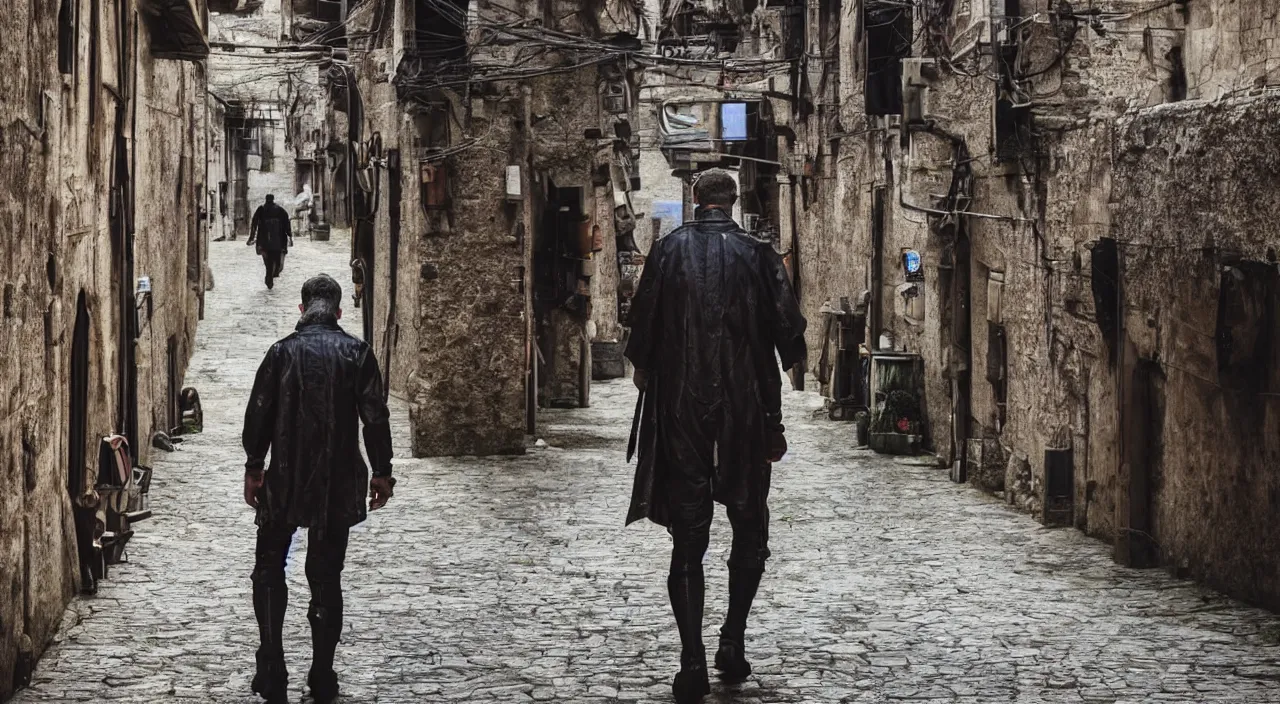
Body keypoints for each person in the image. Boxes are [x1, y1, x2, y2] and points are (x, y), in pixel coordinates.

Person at [624, 169, 807, 703]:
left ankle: (691, 662)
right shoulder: (758, 254)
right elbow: (791, 339)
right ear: (732, 203)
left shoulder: (667, 252)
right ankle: (732, 641)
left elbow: (640, 349)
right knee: (749, 524)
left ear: (696, 200)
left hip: (682, 411)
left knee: (689, 536)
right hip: (746, 409)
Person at [242, 274, 396, 704]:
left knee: (270, 568)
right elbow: (375, 417)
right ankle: (323, 673)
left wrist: (255, 466)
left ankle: (272, 662)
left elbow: (258, 414)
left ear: (302, 309)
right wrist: (382, 472)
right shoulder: (357, 353)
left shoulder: (280, 354)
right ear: (339, 312)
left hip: (285, 480)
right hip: (338, 483)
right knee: (326, 577)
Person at [247, 194, 294, 289]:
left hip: (265, 240)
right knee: (276, 259)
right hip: (278, 240)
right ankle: (272, 274)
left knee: (268, 260)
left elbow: (254, 223)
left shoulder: (261, 209)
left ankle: (269, 276)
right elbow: (286, 224)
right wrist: (289, 235)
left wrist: (251, 237)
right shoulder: (280, 210)